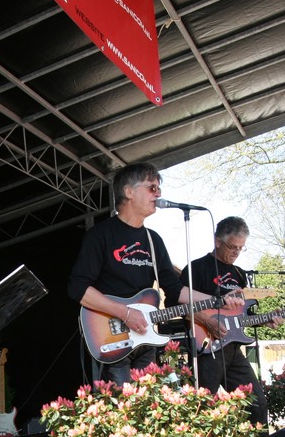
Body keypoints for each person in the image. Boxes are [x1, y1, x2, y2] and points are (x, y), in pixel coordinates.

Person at [67, 162, 242, 385]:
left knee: (148, 402)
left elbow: (175, 290)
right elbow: (78, 288)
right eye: (152, 187)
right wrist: (125, 313)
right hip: (111, 336)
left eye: (159, 188)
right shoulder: (100, 234)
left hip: (145, 338)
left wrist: (219, 300)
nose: (158, 194)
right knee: (120, 404)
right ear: (129, 192)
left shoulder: (153, 240)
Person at [181, 216, 280, 426]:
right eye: (232, 247)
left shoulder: (239, 274)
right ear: (217, 241)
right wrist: (208, 321)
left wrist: (264, 321)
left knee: (257, 404)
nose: (236, 252)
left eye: (241, 248)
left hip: (233, 349)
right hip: (207, 348)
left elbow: (241, 317)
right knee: (202, 409)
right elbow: (181, 307)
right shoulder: (196, 268)